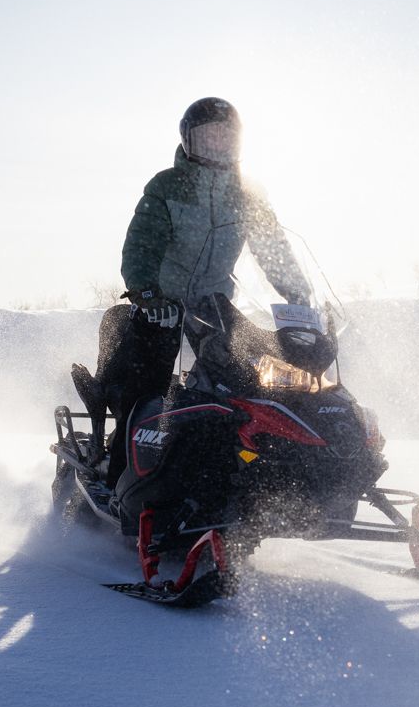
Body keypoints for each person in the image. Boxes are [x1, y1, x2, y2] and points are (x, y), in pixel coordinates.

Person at [84, 97, 311, 475]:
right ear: (190, 141)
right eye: (208, 136)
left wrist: (299, 293)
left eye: (226, 136)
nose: (217, 143)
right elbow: (142, 243)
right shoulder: (167, 186)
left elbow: (273, 247)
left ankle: (244, 470)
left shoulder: (248, 193)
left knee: (251, 380)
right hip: (162, 305)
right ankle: (122, 473)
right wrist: (145, 291)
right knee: (147, 388)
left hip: (214, 306)